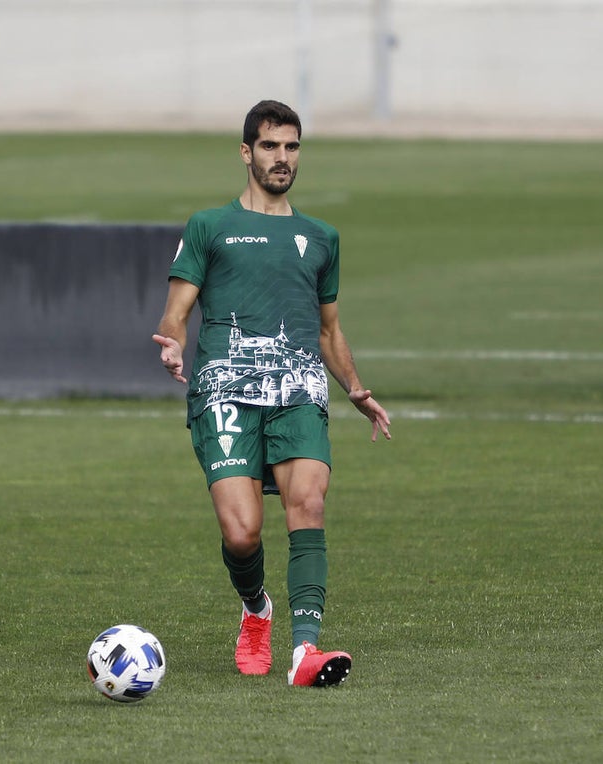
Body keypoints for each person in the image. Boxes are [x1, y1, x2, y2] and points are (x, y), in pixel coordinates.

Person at [153, 100, 392, 685]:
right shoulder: (210, 226)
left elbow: (329, 328)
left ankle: (304, 652)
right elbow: (178, 309)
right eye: (270, 146)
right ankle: (256, 608)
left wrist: (355, 388)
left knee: (308, 503)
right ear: (246, 152)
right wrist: (173, 342)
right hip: (225, 389)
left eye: (291, 147)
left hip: (299, 388)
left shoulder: (321, 237)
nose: (282, 158)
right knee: (242, 533)